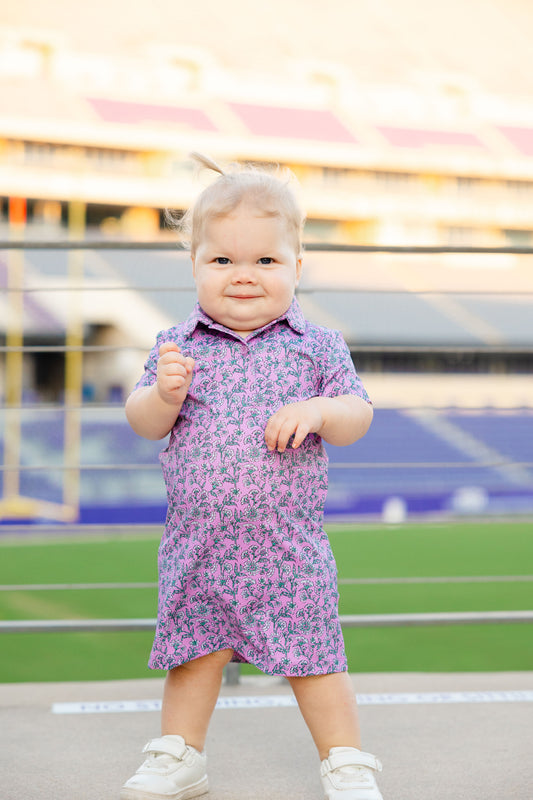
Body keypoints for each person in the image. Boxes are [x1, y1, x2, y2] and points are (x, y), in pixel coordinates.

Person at [121, 153, 383, 800]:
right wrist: (165, 397)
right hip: (199, 545)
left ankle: (343, 758)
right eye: (222, 261)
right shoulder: (176, 344)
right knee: (193, 654)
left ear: (297, 266)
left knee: (315, 659)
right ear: (194, 267)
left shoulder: (317, 346)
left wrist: (319, 409)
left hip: (286, 547)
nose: (243, 276)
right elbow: (142, 420)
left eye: (265, 261)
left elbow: (357, 416)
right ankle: (182, 754)